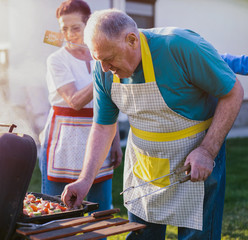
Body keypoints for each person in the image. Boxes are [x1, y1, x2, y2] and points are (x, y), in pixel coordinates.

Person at [61, 9, 244, 240]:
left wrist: (208, 150)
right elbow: (103, 125)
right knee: (142, 236)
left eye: (109, 59)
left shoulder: (180, 46)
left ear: (131, 40)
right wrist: (84, 180)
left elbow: (233, 91)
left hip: (195, 159)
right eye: (99, 60)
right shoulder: (103, 68)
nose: (105, 68)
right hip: (145, 168)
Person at [39, 0, 122, 212]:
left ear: (88, 25)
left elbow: (109, 102)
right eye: (63, 29)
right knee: (58, 211)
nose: (69, 34)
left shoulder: (99, 58)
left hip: (98, 135)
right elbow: (75, 101)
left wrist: (114, 140)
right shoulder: (56, 59)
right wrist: (105, 70)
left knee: (99, 209)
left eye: (75, 28)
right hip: (64, 139)